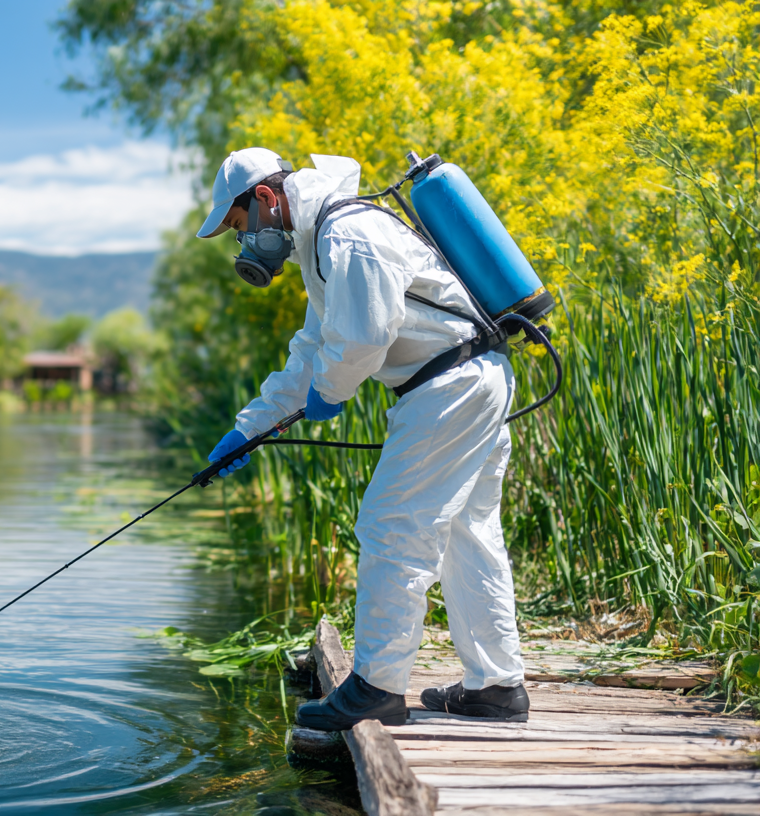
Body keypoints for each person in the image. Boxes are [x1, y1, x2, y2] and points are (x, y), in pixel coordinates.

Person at [197, 148, 530, 730]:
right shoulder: (324, 238)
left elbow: (360, 342)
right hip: (466, 379)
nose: (244, 242)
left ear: (266, 199)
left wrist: (332, 389)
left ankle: (377, 687)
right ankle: (496, 688)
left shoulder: (347, 236)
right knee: (467, 533)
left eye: (239, 225)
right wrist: (248, 429)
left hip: (449, 386)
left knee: (391, 525)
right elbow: (312, 351)